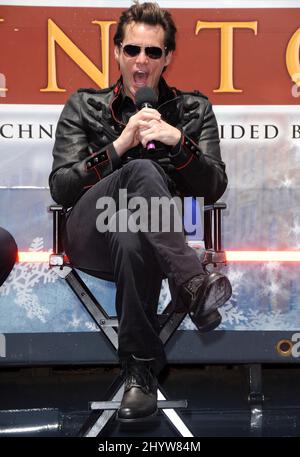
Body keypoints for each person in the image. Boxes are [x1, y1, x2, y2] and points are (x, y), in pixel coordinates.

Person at [49, 1, 232, 422]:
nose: (141, 60)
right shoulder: (83, 106)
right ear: (117, 53)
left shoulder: (193, 111)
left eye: (152, 52)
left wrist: (178, 141)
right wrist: (120, 146)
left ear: (167, 58)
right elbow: (61, 188)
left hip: (152, 241)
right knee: (140, 168)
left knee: (132, 233)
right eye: (132, 50)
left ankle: (138, 374)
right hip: (88, 233)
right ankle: (193, 283)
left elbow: (215, 186)